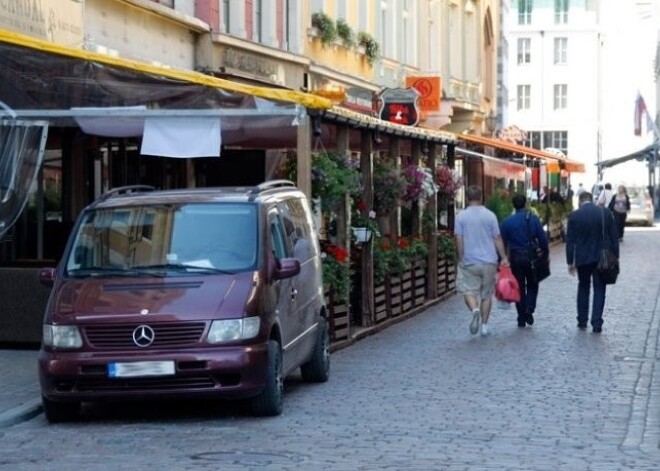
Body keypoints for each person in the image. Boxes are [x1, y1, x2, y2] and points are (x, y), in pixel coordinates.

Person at [455, 185, 509, 337]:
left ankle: (474, 310)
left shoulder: (461, 217)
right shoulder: (490, 216)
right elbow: (497, 238)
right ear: (481, 198)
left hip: (469, 261)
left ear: (467, 198)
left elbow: (459, 239)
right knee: (486, 295)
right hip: (489, 261)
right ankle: (484, 326)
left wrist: (461, 257)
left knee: (467, 290)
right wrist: (503, 257)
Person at [565, 192, 619, 333]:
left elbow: (569, 241)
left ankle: (582, 320)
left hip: (583, 259)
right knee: (599, 289)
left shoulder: (574, 216)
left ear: (580, 201)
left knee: (583, 287)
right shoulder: (605, 213)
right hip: (602, 258)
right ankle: (596, 323)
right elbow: (614, 237)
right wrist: (616, 257)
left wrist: (570, 261)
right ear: (591, 199)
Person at [500, 194, 549, 328]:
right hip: (531, 256)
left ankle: (521, 316)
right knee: (533, 283)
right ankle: (529, 307)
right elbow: (542, 239)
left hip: (516, 257)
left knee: (519, 286)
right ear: (526, 204)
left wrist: (502, 259)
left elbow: (502, 242)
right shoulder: (533, 219)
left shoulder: (507, 222)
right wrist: (545, 253)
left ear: (513, 205)